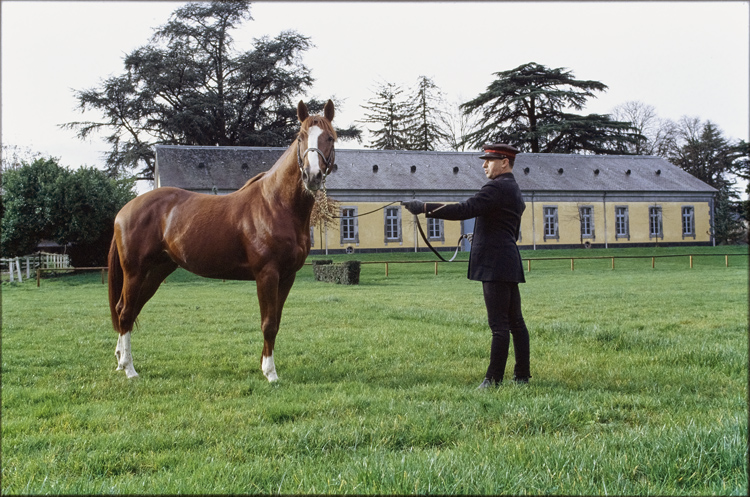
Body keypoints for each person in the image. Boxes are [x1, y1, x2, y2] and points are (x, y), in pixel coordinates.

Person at [402, 143, 530, 389]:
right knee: (516, 322)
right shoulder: (513, 189)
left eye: (488, 160)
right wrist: (479, 237)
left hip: (494, 264)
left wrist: (424, 207)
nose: (484, 165)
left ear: (504, 162)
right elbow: (507, 230)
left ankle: (493, 380)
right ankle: (522, 375)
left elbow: (465, 209)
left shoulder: (496, 187)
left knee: (499, 326)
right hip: (507, 260)